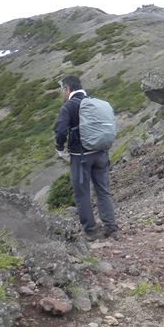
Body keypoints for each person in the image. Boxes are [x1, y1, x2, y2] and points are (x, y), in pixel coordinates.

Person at [54, 75, 119, 241]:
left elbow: (60, 131)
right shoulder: (95, 102)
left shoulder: (69, 106)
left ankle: (90, 231)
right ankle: (111, 227)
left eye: (62, 90)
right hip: (101, 153)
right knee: (103, 190)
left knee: (82, 194)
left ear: (67, 89)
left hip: (81, 156)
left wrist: (60, 147)